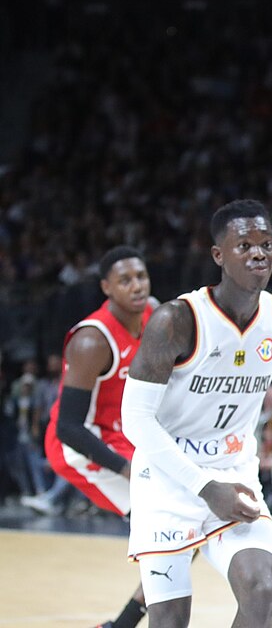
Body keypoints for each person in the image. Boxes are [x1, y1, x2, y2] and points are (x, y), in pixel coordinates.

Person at [121, 199, 272, 628]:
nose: (259, 253)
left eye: (266, 244)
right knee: (169, 620)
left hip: (234, 470)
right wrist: (204, 486)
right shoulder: (176, 320)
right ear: (219, 255)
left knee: (261, 590)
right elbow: (135, 421)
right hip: (167, 480)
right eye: (245, 245)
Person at [35, 246, 158, 628]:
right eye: (125, 280)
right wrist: (126, 470)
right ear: (107, 288)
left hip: (126, 434)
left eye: (140, 276)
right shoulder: (92, 340)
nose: (136, 286)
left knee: (187, 528)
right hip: (81, 444)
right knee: (174, 527)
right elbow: (67, 427)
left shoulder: (156, 314)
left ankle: (119, 626)